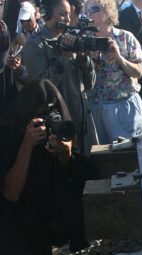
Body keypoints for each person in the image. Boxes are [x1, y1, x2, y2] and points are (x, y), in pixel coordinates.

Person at [0, 79, 95, 255]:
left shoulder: (58, 130)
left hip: (42, 210)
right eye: (41, 115)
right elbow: (11, 194)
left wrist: (65, 154)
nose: (46, 122)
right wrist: (27, 144)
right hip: (14, 214)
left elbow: (74, 180)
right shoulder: (8, 133)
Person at [23, 0, 97, 155]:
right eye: (62, 14)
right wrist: (64, 57)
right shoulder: (35, 44)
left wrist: (84, 59)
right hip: (58, 126)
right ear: (48, 14)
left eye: (69, 14)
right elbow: (39, 88)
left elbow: (90, 84)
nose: (68, 19)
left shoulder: (71, 38)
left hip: (83, 123)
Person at [85, 0, 142, 143]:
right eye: (86, 11)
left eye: (93, 9)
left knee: (130, 155)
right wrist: (88, 61)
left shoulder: (125, 37)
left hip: (125, 106)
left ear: (107, 11)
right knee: (101, 158)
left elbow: (139, 72)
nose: (89, 15)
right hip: (96, 107)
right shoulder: (85, 42)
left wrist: (119, 58)